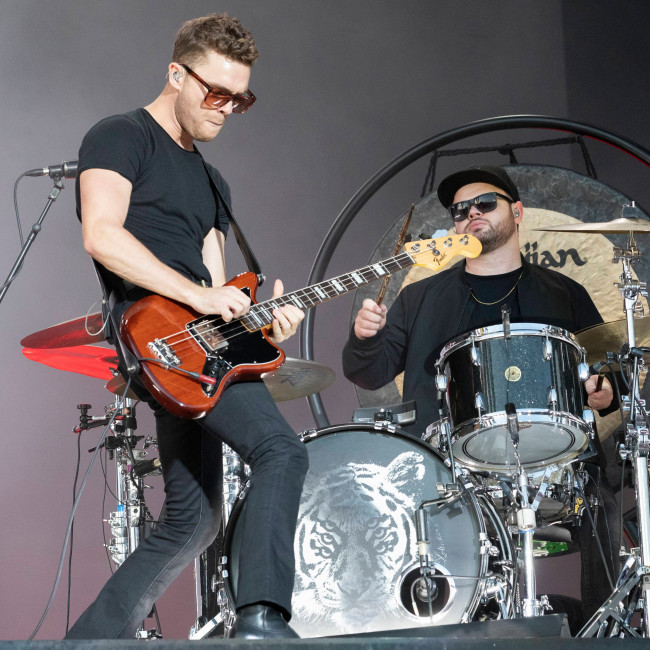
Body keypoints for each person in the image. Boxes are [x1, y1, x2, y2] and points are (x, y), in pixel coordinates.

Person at [65, 13, 307, 640]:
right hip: (154, 333)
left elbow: (221, 294)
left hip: (200, 350)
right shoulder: (120, 136)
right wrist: (199, 295)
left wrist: (263, 327)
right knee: (280, 452)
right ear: (177, 74)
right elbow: (101, 234)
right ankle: (261, 619)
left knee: (193, 522)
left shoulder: (212, 182)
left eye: (240, 99)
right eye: (216, 92)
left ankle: (88, 641)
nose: (226, 109)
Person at [342, 165, 620, 626]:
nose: (471, 213)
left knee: (599, 501)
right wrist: (365, 337)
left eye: (485, 203)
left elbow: (609, 371)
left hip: (555, 461)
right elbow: (367, 372)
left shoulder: (565, 293)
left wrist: (604, 390)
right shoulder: (420, 297)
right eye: (460, 211)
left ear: (517, 212)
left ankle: (602, 631)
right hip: (450, 468)